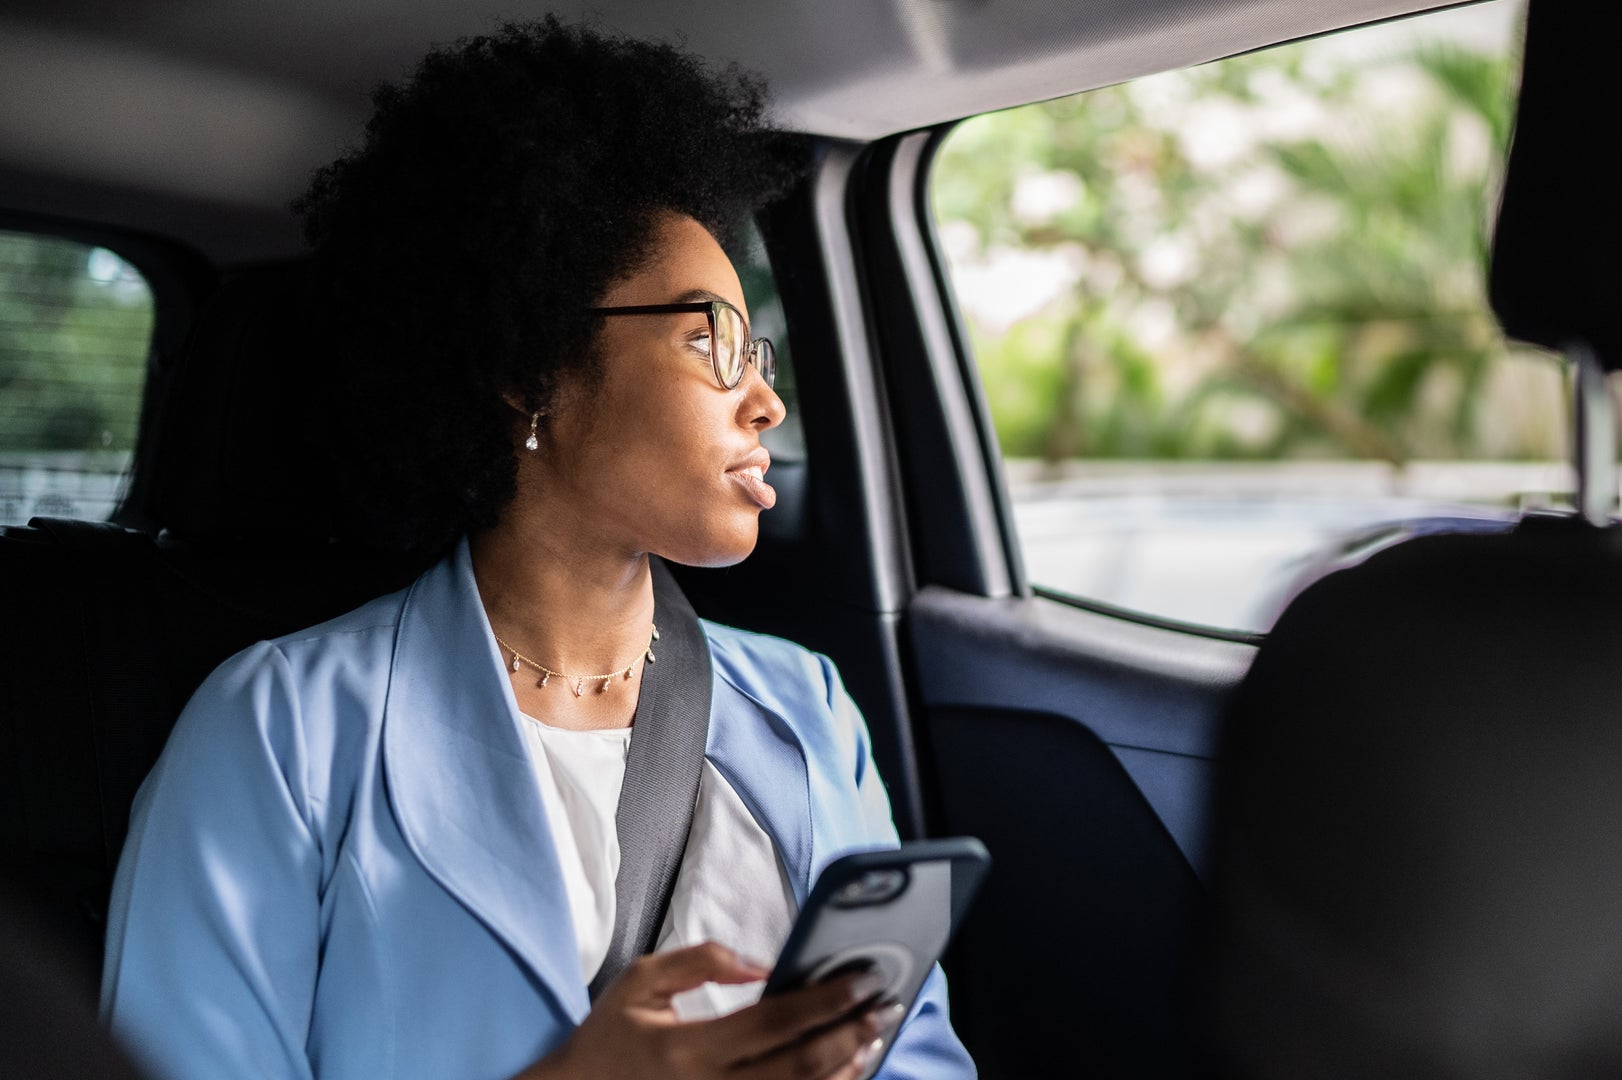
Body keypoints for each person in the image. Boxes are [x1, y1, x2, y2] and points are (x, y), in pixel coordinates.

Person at [99, 17, 974, 1080]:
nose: (767, 402)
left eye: (762, 350)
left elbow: (921, 1060)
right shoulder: (281, 729)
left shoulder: (808, 710)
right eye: (712, 341)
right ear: (531, 366)